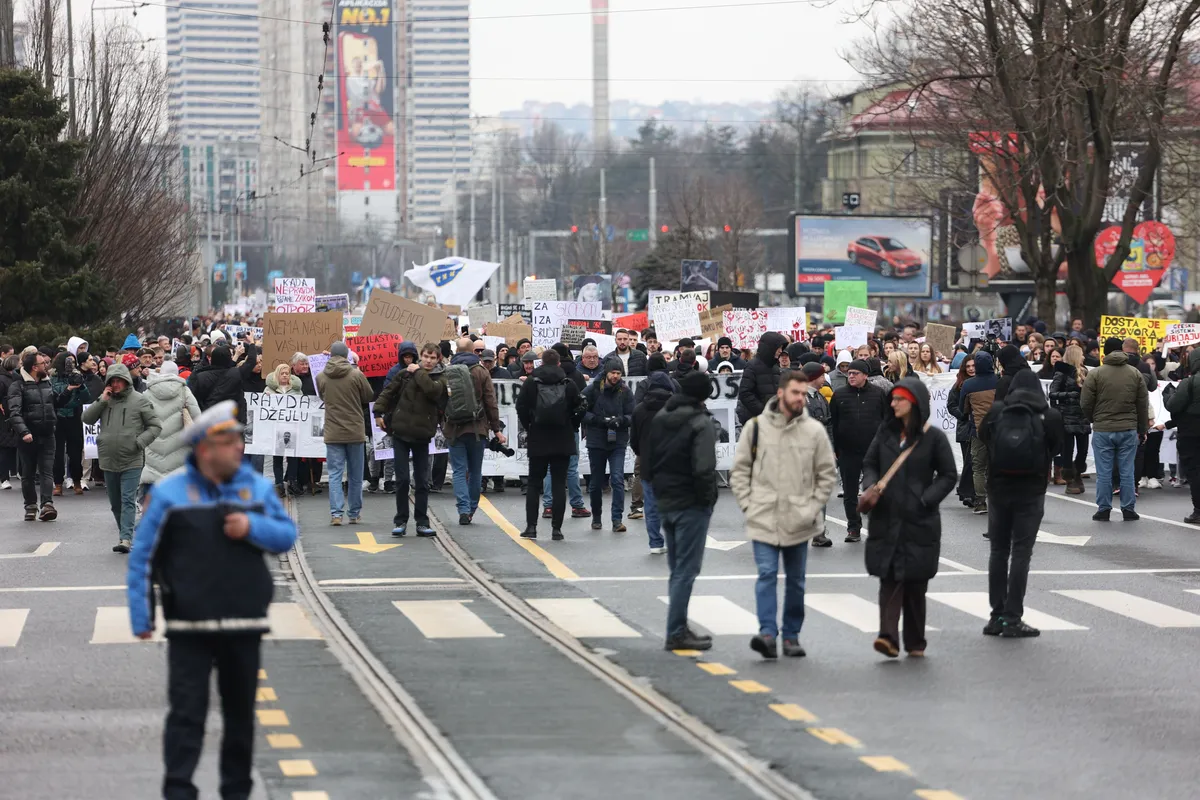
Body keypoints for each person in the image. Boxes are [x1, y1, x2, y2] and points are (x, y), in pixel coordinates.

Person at [126, 400, 297, 800]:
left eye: (240, 440)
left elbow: (286, 535)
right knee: (187, 716)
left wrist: (251, 526)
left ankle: (237, 791)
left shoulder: (254, 487)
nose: (239, 448)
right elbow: (142, 558)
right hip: (190, 625)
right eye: (231, 441)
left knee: (240, 718)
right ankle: (179, 791)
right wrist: (142, 616)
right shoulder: (169, 494)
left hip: (244, 623)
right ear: (205, 448)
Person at [732, 369, 837, 659]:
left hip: (799, 518)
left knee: (795, 579)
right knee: (766, 574)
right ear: (781, 393)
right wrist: (748, 505)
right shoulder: (755, 428)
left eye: (804, 393)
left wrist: (812, 507)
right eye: (796, 393)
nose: (801, 398)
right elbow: (739, 472)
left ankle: (791, 636)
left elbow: (826, 475)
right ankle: (767, 633)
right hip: (763, 516)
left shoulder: (813, 431)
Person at [863, 378, 957, 658]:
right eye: (892, 400)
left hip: (919, 520)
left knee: (915, 583)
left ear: (913, 403)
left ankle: (915, 643)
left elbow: (948, 475)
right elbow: (870, 463)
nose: (892, 404)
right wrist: (871, 485)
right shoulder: (885, 432)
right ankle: (888, 637)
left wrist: (926, 500)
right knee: (889, 578)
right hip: (886, 517)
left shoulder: (933, 438)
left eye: (898, 399)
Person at [978, 369, 1063, 637]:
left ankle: (996, 616)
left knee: (998, 551)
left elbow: (983, 437)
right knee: (1021, 553)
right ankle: (1013, 618)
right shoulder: (1048, 415)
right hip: (1031, 489)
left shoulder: (997, 411)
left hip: (999, 487)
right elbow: (1057, 447)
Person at [643, 370, 719, 651]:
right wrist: (707, 500)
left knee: (677, 569)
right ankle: (676, 630)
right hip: (691, 503)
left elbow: (648, 458)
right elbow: (704, 467)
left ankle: (679, 625)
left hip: (666, 499)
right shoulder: (701, 423)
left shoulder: (663, 416)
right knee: (686, 569)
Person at [82, 363, 163, 552]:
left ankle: (125, 539)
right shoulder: (105, 400)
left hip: (131, 459)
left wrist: (139, 442)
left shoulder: (139, 400)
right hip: (108, 458)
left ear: (127, 381)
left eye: (119, 381)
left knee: (127, 499)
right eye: (113, 381)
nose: (116, 384)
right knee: (115, 502)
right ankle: (124, 535)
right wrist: (102, 400)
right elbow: (86, 419)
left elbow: (155, 426)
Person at [375, 342, 446, 538]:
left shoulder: (441, 378)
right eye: (426, 357)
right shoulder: (405, 374)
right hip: (401, 433)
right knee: (403, 480)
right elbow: (387, 393)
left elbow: (431, 390)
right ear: (421, 356)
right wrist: (377, 413)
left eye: (433, 358)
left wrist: (418, 372)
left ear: (438, 359)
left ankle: (422, 522)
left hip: (423, 435)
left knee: (422, 481)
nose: (429, 361)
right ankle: (401, 521)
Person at [516, 348, 583, 540]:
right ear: (559, 364)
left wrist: (531, 426)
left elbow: (520, 407)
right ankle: (556, 529)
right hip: (563, 439)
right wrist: (572, 425)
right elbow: (580, 407)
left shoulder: (531, 383)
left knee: (534, 484)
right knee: (559, 484)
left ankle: (531, 527)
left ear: (541, 363)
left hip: (538, 438)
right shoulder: (568, 384)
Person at [1081, 342, 1148, 521]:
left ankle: (1104, 509)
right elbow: (1142, 404)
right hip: (1128, 428)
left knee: (1104, 472)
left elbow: (1085, 402)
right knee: (1127, 470)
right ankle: (1128, 508)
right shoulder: (1135, 373)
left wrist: (1094, 419)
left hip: (1103, 428)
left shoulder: (1095, 373)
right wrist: (1142, 429)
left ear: (1105, 352)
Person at [443, 337, 506, 525]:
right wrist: (496, 429)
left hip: (454, 428)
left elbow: (440, 401)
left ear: (456, 350)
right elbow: (490, 403)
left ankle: (462, 508)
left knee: (459, 470)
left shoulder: (446, 371)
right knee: (476, 470)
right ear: (473, 351)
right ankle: (471, 508)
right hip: (477, 428)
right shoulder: (481, 371)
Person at [828, 359, 888, 545]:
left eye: (855, 373)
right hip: (848, 451)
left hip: (873, 452)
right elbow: (833, 424)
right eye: (849, 373)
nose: (851, 376)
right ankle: (853, 527)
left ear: (865, 376)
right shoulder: (839, 395)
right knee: (850, 492)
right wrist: (835, 448)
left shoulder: (878, 394)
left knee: (875, 490)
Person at [316, 342, 374, 526]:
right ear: (347, 355)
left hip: (333, 431)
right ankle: (354, 513)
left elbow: (322, 397)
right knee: (355, 475)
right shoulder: (356, 374)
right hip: (355, 430)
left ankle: (336, 514)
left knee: (334, 473)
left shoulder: (321, 376)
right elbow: (368, 396)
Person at [631, 353, 678, 554]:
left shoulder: (640, 409)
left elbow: (634, 439)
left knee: (650, 504)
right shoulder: (675, 406)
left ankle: (655, 543)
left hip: (649, 461)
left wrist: (641, 452)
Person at [9, 350, 63, 522]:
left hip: (48, 434)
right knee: (28, 473)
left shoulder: (47, 384)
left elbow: (57, 402)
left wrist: (70, 390)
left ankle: (47, 505)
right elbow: (14, 412)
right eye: (43, 364)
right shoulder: (18, 386)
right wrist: (24, 432)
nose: (46, 366)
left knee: (47, 471)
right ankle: (30, 505)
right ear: (34, 367)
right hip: (28, 437)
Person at [582, 358, 634, 532]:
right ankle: (596, 517)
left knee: (618, 479)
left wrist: (621, 420)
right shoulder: (593, 389)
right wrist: (597, 420)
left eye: (618, 374)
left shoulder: (625, 391)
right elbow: (580, 410)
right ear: (606, 372)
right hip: (596, 440)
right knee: (596, 482)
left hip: (618, 440)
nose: (615, 377)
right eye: (613, 373)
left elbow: (632, 414)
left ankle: (617, 519)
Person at [541, 343, 589, 520]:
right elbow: (583, 403)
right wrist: (575, 422)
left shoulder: (538, 379)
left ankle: (549, 506)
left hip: (546, 430)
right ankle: (576, 505)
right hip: (569, 429)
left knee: (548, 469)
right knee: (571, 468)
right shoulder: (575, 377)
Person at [141, 360, 202, 500]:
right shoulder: (184, 391)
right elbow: (197, 417)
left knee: (152, 490)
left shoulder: (147, 392)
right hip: (179, 447)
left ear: (161, 373)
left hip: (153, 445)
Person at [959, 351, 999, 515]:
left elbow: (963, 409)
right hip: (999, 430)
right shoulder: (999, 381)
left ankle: (981, 502)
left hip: (978, 431)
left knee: (978, 468)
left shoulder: (969, 385)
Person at [1049, 346, 1090, 494]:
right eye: (1082, 354)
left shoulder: (1085, 371)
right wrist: (1070, 395)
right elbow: (1052, 393)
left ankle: (1077, 472)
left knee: (1083, 451)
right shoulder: (1061, 372)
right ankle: (1070, 478)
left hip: (1082, 415)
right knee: (1068, 449)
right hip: (1067, 416)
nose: (1084, 357)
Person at [49, 351, 91, 496]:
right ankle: (58, 483)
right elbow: (54, 397)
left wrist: (81, 385)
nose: (71, 365)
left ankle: (77, 481)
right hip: (58, 417)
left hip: (74, 416)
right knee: (58, 454)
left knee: (75, 452)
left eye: (73, 362)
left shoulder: (76, 375)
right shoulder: (53, 378)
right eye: (68, 362)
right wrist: (68, 388)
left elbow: (87, 398)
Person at [1167, 349, 1200, 522]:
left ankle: (1199, 510)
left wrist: (1168, 395)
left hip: (1191, 432)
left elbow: (1173, 406)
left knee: (1194, 471)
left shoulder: (1189, 382)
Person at [264, 362, 303, 496]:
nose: (285, 375)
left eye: (287, 373)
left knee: (293, 457)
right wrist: (267, 399)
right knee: (278, 457)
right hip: (276, 428)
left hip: (292, 427)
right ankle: (279, 484)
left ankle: (292, 481)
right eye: (282, 373)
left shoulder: (296, 390)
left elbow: (303, 406)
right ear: (277, 375)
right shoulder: (269, 390)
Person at [736, 332, 788, 425]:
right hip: (757, 420)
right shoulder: (752, 366)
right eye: (778, 347)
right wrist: (763, 411)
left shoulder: (775, 367)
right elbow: (745, 393)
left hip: (774, 419)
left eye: (781, 348)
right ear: (770, 348)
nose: (780, 351)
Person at [946, 356, 977, 507]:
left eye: (973, 366)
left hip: (979, 427)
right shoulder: (958, 386)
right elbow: (951, 405)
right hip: (965, 429)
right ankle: (967, 492)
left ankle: (971, 492)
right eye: (968, 366)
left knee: (976, 463)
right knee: (969, 462)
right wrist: (963, 414)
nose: (971, 368)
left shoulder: (982, 383)